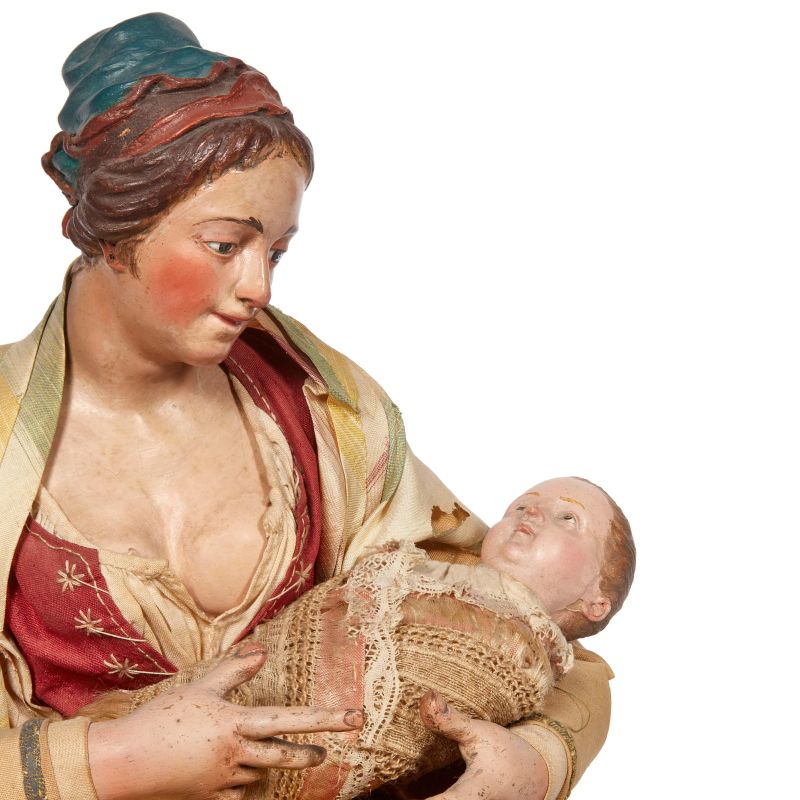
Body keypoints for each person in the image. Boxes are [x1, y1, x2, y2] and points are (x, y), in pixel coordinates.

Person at [0, 13, 614, 800]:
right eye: (225, 245)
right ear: (116, 231)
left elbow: (536, 633)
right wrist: (111, 759)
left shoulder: (321, 411)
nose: (259, 287)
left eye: (277, 251)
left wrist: (535, 763)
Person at [78, 476, 635, 800]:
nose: (532, 511)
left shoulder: (529, 650)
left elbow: (567, 681)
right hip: (127, 723)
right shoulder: (415, 566)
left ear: (597, 601)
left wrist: (538, 764)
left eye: (569, 520)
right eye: (521, 505)